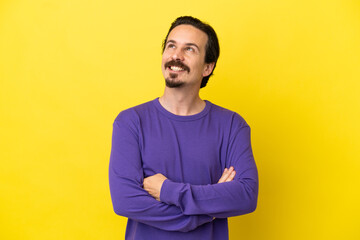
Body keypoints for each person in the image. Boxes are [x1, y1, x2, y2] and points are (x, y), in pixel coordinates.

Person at [109, 16, 258, 240]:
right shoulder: (131, 122)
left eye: (189, 49)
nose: (176, 56)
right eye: (171, 46)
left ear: (207, 67)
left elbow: (246, 195)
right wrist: (204, 213)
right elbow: (125, 201)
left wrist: (167, 190)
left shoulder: (232, 125)